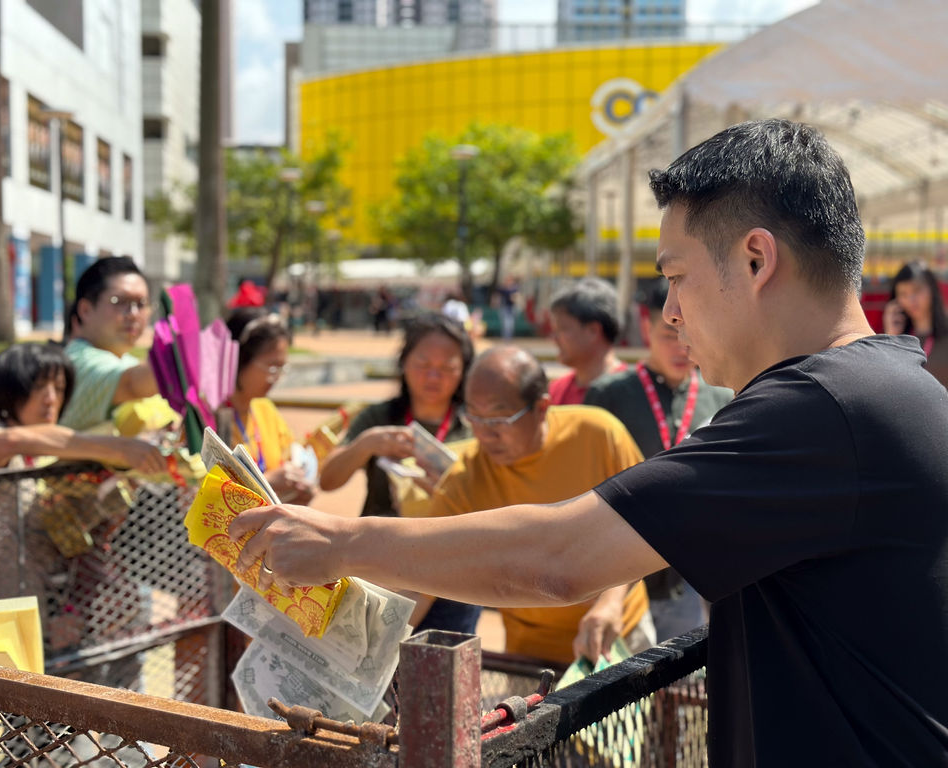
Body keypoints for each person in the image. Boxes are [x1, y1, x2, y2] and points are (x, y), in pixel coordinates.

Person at [228, 119, 948, 766]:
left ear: (756, 260)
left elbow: (556, 560)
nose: (667, 313)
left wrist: (341, 543)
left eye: (675, 277)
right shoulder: (889, 385)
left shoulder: (817, 411)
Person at [425, 346, 651, 664]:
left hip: (618, 632)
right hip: (532, 649)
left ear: (541, 407)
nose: (484, 434)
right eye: (474, 416)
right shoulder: (465, 478)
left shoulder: (599, 435)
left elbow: (644, 522)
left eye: (500, 419)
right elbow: (424, 561)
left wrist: (610, 603)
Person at [0, 343, 165, 657]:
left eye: (59, 388)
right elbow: (16, 439)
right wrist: (119, 448)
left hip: (57, 617)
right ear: (10, 391)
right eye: (38, 387)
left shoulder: (38, 458)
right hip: (6, 617)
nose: (51, 399)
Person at [584, 276, 732, 640]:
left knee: (680, 678)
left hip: (690, 572)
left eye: (689, 334)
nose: (681, 345)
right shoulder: (610, 394)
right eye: (669, 334)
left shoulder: (721, 397)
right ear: (647, 329)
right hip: (618, 569)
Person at [319, 313, 474, 631]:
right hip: (379, 569)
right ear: (404, 363)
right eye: (423, 363)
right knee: (371, 667)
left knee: (443, 673)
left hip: (455, 578)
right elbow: (328, 480)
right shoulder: (378, 417)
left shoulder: (474, 427)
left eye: (447, 367)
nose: (434, 375)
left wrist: (448, 492)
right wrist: (365, 445)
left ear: (464, 372)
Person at [59, 256, 160, 431]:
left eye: (141, 303)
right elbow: (134, 384)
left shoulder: (126, 361)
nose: (134, 313)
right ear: (86, 310)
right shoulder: (76, 361)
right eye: (120, 302)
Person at [223, 310, 312, 504]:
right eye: (272, 367)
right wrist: (268, 482)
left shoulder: (264, 409)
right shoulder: (207, 416)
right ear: (239, 359)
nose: (277, 377)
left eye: (282, 368)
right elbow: (202, 493)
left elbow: (290, 457)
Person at [547, 278, 628, 405]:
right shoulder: (555, 392)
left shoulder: (632, 392)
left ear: (593, 331)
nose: (554, 339)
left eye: (562, 329)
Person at [883, 260, 948, 386]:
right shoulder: (898, 339)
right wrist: (891, 337)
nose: (911, 300)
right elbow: (888, 382)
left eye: (917, 290)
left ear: (932, 289)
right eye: (903, 294)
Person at [496, 276, 519, 340]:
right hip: (504, 308)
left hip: (512, 308)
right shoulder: (502, 289)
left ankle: (508, 338)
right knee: (505, 324)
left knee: (510, 324)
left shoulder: (514, 289)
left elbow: (515, 298)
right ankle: (506, 338)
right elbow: (497, 296)